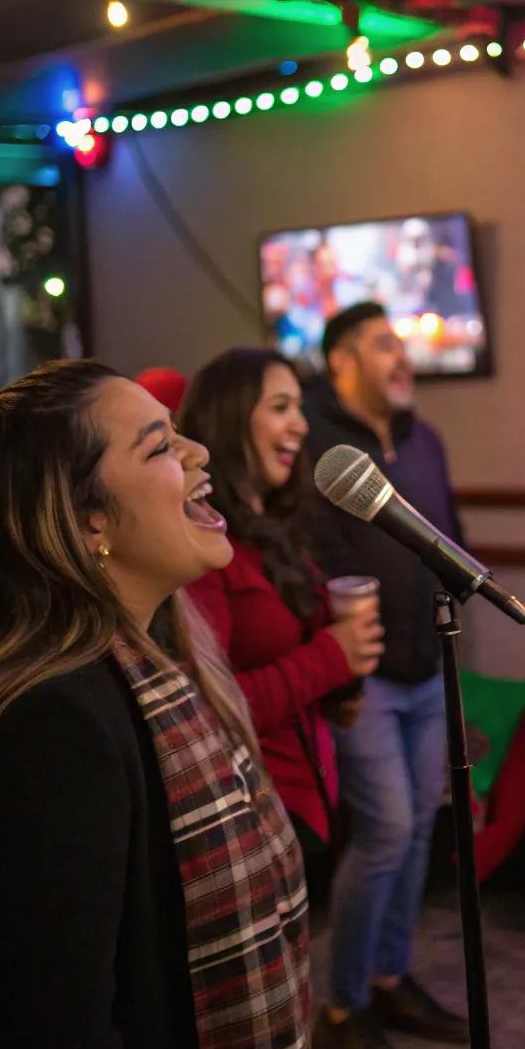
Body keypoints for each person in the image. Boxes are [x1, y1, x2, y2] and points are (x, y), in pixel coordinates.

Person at [0, 360, 312, 1049]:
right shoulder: (43, 725)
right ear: (87, 519)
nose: (199, 454)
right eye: (160, 446)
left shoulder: (159, 669)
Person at [304, 302, 468, 1049]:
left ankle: (390, 979)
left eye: (401, 344)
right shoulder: (321, 450)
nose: (401, 358)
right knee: (386, 833)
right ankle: (340, 1010)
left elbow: (451, 541)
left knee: (418, 834)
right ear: (341, 360)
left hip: (429, 674)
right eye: (382, 344)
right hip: (360, 681)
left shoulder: (427, 441)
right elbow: (315, 567)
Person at [180, 347, 383, 858]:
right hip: (254, 809)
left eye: (298, 407)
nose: (299, 424)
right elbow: (210, 709)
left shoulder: (280, 532)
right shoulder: (204, 547)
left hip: (309, 796)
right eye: (280, 407)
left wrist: (340, 686)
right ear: (229, 418)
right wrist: (330, 658)